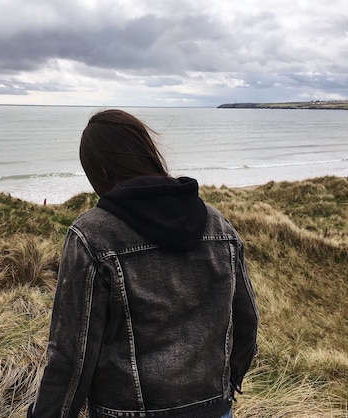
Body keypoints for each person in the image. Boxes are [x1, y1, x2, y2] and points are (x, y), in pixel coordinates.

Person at [27, 109, 259, 418]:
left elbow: (71, 355)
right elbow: (247, 322)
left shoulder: (92, 234)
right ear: (146, 154)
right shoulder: (220, 227)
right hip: (214, 409)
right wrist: (225, 388)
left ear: (105, 171)